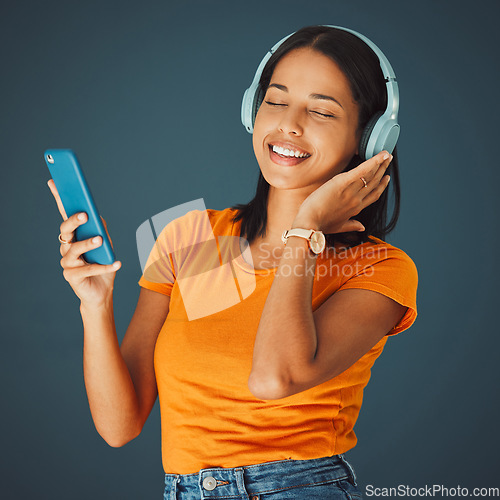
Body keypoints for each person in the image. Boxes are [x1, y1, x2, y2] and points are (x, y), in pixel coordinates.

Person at [48, 25, 417, 500]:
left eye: (322, 110)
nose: (290, 124)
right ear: (252, 111)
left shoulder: (379, 268)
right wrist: (94, 305)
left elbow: (272, 376)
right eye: (276, 101)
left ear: (369, 139)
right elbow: (120, 426)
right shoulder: (190, 234)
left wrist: (304, 232)